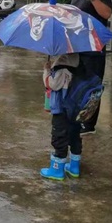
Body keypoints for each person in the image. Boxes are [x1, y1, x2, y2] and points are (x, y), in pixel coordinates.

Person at [70, 0, 112, 136]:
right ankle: (79, 118)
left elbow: (107, 13)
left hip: (94, 49)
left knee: (92, 85)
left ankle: (89, 124)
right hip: (79, 47)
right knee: (78, 84)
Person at [40, 53, 81, 181]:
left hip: (61, 108)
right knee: (74, 135)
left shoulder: (62, 65)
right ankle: (74, 167)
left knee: (59, 136)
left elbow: (52, 85)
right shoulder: (79, 63)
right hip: (75, 108)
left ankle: (57, 169)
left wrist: (47, 70)